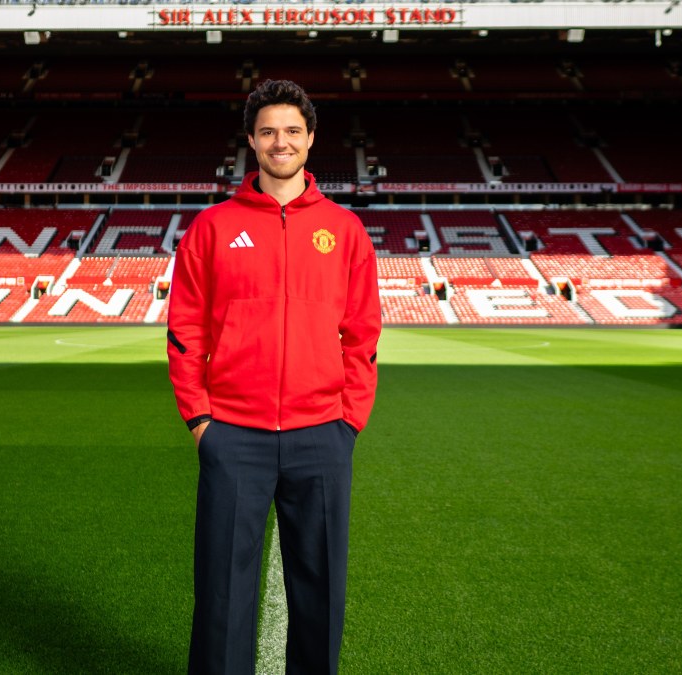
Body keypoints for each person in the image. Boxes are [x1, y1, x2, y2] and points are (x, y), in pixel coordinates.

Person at [167, 79, 381, 675]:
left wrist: (349, 421)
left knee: (321, 588)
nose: (280, 141)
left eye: (292, 130)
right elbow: (186, 332)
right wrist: (202, 420)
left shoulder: (344, 230)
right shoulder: (211, 228)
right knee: (221, 591)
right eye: (268, 131)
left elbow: (363, 334)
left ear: (310, 139)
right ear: (252, 141)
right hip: (233, 434)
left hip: (323, 434)